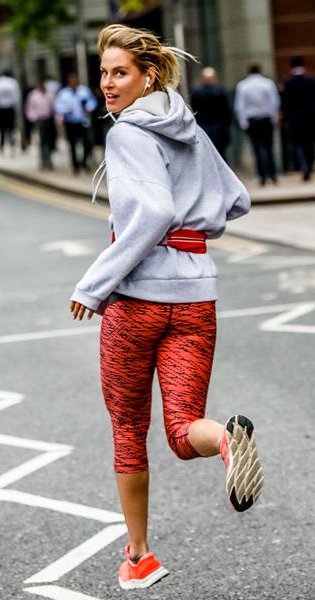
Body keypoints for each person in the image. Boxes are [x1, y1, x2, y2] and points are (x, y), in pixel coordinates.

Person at [70, 24, 264, 590]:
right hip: (196, 298)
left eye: (119, 73)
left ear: (147, 75)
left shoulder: (128, 133)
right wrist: (193, 237)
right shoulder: (190, 127)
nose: (107, 84)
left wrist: (94, 284)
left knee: (130, 428)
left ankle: (139, 556)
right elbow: (238, 199)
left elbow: (151, 213)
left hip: (137, 304)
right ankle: (226, 440)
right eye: (103, 72)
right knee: (184, 431)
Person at [234, 64, 281, 185]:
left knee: (256, 149)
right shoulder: (268, 83)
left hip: (252, 120)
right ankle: (273, 174)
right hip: (266, 119)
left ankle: (262, 176)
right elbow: (274, 102)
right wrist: (274, 118)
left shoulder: (243, 85)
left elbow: (240, 105)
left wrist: (243, 122)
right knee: (269, 147)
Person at [54, 72, 97, 174]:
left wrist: (89, 107)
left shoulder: (84, 90)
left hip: (83, 121)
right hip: (70, 122)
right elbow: (58, 107)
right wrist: (66, 109)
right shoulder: (63, 93)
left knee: (87, 142)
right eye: (72, 81)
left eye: (75, 80)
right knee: (72, 145)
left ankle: (84, 162)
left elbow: (92, 101)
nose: (74, 82)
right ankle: (75, 166)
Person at [281, 55, 315, 181]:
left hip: (294, 118)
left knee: (298, 144)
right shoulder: (310, 80)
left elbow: (284, 102)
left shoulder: (288, 82)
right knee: (309, 143)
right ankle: (309, 165)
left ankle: (304, 165)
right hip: (310, 117)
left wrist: (285, 119)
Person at [190, 66, 233, 159]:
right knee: (221, 154)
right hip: (218, 127)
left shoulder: (197, 93)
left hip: (205, 127)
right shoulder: (221, 92)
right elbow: (227, 112)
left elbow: (194, 111)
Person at [25, 77, 57, 169]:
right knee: (42, 142)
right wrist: (34, 118)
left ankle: (49, 159)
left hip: (49, 119)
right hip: (40, 120)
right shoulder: (33, 95)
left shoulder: (50, 94)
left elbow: (54, 106)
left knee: (50, 141)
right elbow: (30, 108)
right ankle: (44, 161)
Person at [0, 69, 22, 155]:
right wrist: (17, 109)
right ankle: (12, 145)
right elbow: (17, 97)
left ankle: (1, 146)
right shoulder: (13, 82)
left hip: (0, 109)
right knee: (11, 129)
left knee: (1, 129)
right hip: (10, 108)